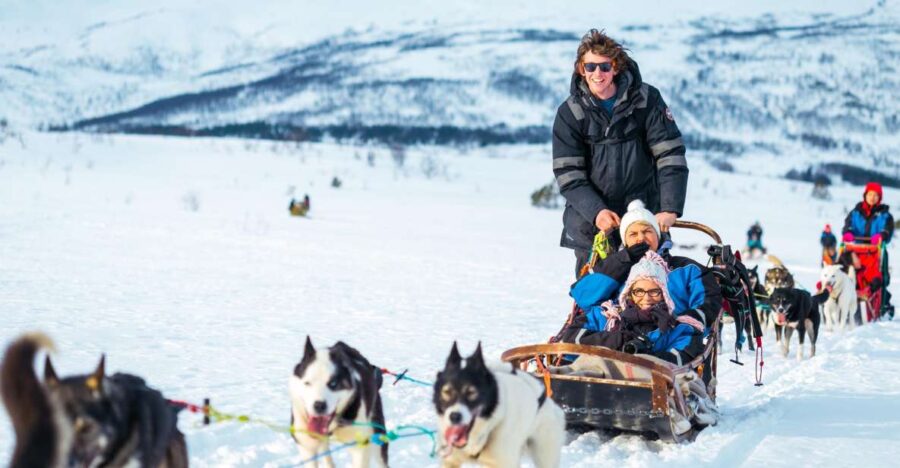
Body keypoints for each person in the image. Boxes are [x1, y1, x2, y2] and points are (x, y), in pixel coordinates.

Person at [552, 29, 688, 276]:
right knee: (597, 290)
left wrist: (669, 208)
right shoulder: (570, 113)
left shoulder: (646, 100)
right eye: (590, 66)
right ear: (581, 69)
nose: (597, 73)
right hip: (592, 221)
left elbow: (670, 156)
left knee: (650, 286)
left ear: (616, 66)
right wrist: (596, 212)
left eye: (604, 66)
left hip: (643, 213)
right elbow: (568, 174)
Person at [555, 200, 723, 365]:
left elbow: (708, 302)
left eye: (647, 231)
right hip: (619, 333)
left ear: (658, 234)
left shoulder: (687, 269)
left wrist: (678, 325)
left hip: (667, 338)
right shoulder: (616, 267)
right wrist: (623, 259)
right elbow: (584, 297)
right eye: (633, 234)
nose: (641, 238)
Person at [842, 182, 893, 316]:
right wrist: (848, 232)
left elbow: (887, 230)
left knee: (879, 277)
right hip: (855, 250)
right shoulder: (855, 212)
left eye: (876, 195)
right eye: (870, 194)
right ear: (865, 195)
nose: (872, 197)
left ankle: (882, 305)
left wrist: (882, 235)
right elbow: (848, 226)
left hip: (875, 251)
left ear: (880, 197)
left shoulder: (885, 215)